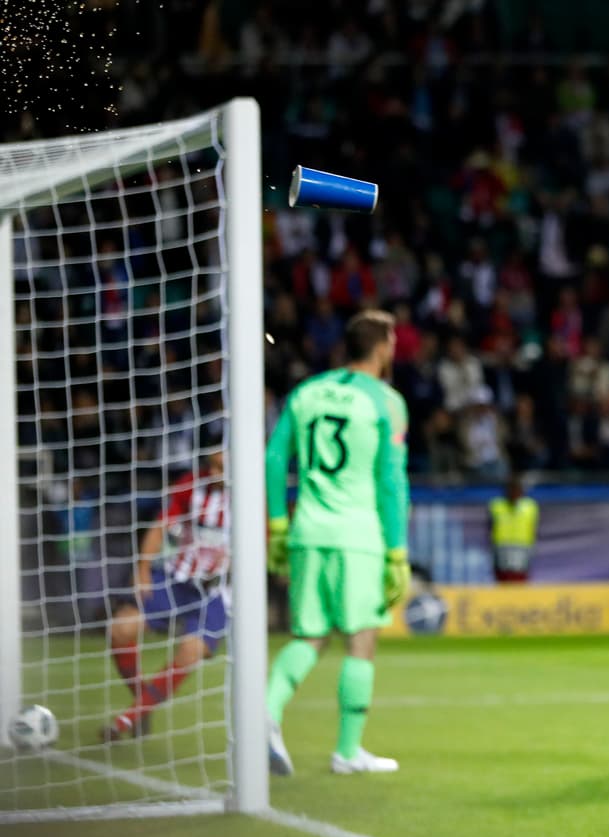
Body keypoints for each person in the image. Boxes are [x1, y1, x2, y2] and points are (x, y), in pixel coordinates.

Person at [263, 309, 411, 776]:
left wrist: (278, 525)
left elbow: (272, 459)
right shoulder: (385, 401)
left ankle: (263, 717)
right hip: (358, 535)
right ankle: (348, 751)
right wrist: (397, 550)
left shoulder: (306, 392)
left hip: (307, 528)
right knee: (361, 640)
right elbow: (391, 480)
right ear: (383, 347)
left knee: (308, 636)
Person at [103, 441, 228, 741]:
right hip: (177, 579)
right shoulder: (191, 484)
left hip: (217, 593)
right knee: (121, 628)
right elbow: (162, 525)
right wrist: (143, 568)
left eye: (219, 467)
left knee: (190, 651)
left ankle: (126, 720)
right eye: (209, 464)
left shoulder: (253, 497)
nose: (212, 472)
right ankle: (142, 707)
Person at [489, 474, 540, 582]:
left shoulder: (530, 506)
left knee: (520, 575)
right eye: (510, 490)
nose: (513, 493)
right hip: (502, 545)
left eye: (516, 490)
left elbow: (533, 527)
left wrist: (532, 544)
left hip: (522, 546)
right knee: (503, 575)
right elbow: (490, 526)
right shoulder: (496, 505)